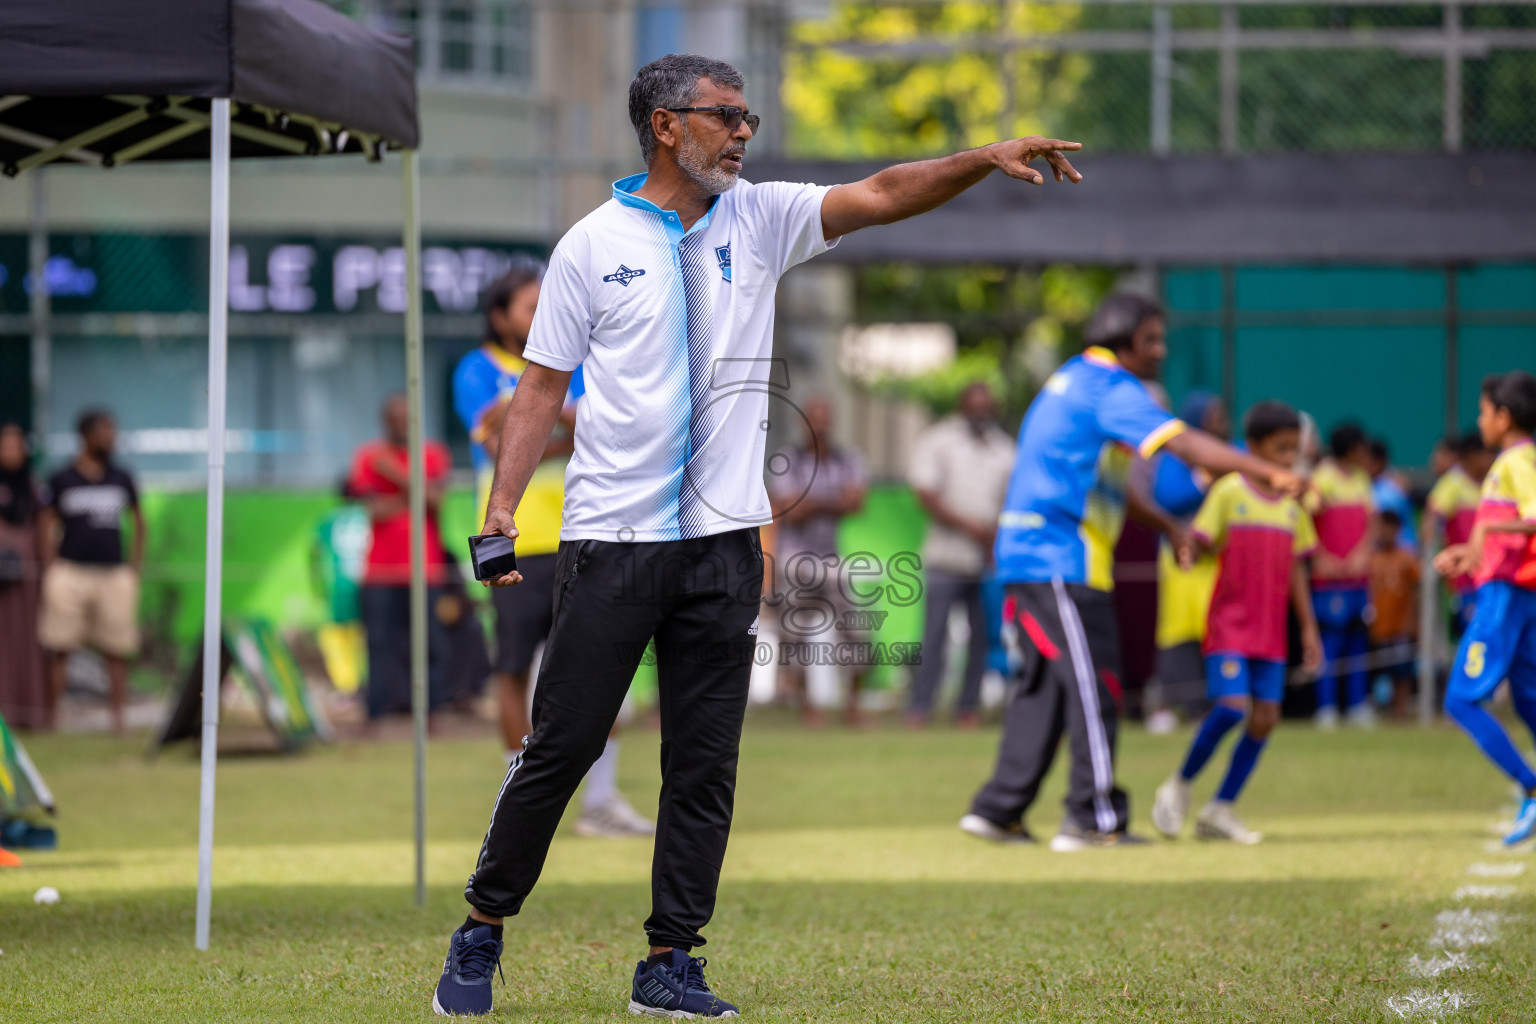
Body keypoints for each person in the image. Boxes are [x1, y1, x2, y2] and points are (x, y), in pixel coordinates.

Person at [432, 51, 1090, 1018]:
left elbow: (880, 192)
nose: (745, 132)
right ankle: (482, 929)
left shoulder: (765, 217)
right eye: (726, 116)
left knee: (704, 763)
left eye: (748, 118)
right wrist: (500, 508)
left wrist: (978, 157)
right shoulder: (589, 244)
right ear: (666, 125)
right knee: (561, 747)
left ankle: (669, 962)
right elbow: (540, 388)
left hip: (726, 548)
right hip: (613, 542)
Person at [958, 293, 1305, 854]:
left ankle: (1000, 809)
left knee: (1042, 688)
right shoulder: (1111, 387)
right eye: (1152, 340)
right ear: (1123, 339)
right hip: (1059, 559)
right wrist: (1270, 471)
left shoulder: (1070, 379)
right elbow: (1186, 444)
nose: (1161, 352)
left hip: (1028, 553)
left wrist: (1169, 526)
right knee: (1097, 685)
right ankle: (1094, 820)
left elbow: (1116, 486)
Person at [452, 267, 650, 838]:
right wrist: (551, 422)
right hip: (513, 540)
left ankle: (602, 802)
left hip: (586, 533)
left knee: (602, 668)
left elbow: (592, 432)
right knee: (513, 669)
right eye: (530, 304)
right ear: (501, 317)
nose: (542, 312)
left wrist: (528, 417)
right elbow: (498, 448)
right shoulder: (477, 369)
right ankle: (521, 807)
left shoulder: (579, 364)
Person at [1151, 400, 1322, 844]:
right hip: (1230, 625)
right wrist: (1190, 549)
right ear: (1253, 448)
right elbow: (1202, 539)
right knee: (1232, 708)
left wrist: (1307, 628)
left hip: (1270, 632)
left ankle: (1220, 809)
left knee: (1265, 717)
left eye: (1293, 450)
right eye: (1279, 449)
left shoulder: (1292, 506)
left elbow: (1297, 569)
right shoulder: (1230, 492)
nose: (1287, 459)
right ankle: (1179, 783)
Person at [1433, 371, 1536, 846]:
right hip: (1517, 590)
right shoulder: (1513, 461)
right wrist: (1470, 554)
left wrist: (1482, 536)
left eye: (1482, 411)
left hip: (1505, 597)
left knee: (1460, 699)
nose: (1479, 421)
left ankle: (1532, 787)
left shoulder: (1517, 460)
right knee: (1527, 698)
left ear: (1503, 416)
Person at [905, 381, 1015, 728]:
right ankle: (919, 706)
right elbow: (925, 494)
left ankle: (967, 708)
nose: (980, 413)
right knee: (933, 635)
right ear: (962, 406)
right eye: (974, 407)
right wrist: (970, 526)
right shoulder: (939, 441)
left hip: (986, 560)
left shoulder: (1005, 450)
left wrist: (994, 535)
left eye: (986, 407)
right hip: (945, 556)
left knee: (982, 636)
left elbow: (1014, 502)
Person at [36, 409, 143, 735]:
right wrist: (50, 562)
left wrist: (134, 565)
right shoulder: (61, 478)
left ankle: (118, 722)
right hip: (71, 573)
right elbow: (45, 521)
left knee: (116, 649)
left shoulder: (122, 477)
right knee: (59, 646)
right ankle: (54, 721)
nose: (111, 437)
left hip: (113, 574)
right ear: (86, 435)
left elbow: (139, 522)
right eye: (105, 431)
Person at [348, 394, 452, 722]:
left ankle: (432, 713)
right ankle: (375, 713)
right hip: (379, 569)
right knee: (378, 645)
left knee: (431, 643)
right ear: (385, 420)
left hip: (426, 569)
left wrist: (396, 477)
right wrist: (414, 495)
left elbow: (437, 503)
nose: (400, 423)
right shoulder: (367, 457)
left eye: (406, 416)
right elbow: (373, 510)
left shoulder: (433, 455)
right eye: (394, 416)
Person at [768, 394, 869, 726]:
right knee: (794, 634)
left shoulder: (847, 458)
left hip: (831, 559)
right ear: (804, 421)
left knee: (854, 629)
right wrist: (832, 500)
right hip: (795, 559)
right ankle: (806, 705)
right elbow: (789, 511)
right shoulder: (787, 459)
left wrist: (810, 502)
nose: (822, 424)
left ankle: (852, 704)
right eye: (816, 417)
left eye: (827, 417)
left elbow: (856, 503)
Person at [1147, 391, 1229, 729]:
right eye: (1215, 415)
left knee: (1218, 631)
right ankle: (1183, 704)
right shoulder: (1175, 458)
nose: (1222, 422)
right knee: (1181, 633)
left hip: (1221, 559)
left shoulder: (1231, 451)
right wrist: (1205, 480)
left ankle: (1222, 702)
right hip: (1181, 561)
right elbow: (1168, 498)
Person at [1308, 422, 1377, 728]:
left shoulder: (1362, 479)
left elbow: (1371, 523)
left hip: (1357, 577)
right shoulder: (1321, 478)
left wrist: (1362, 555)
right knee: (1331, 641)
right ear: (1351, 449)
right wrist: (1322, 558)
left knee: (1357, 641)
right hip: (1329, 578)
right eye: (1362, 448)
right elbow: (1307, 521)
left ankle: (1358, 704)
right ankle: (1326, 707)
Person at [0, 423, 49, 730]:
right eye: (5, 446)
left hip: (27, 573)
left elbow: (43, 527)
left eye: (16, 446)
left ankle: (28, 712)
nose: (11, 452)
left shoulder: (33, 487)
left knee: (28, 639)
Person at [1428, 430, 1494, 635]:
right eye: (1487, 454)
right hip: (1461, 578)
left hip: (1490, 572)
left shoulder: (1493, 482)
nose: (1491, 459)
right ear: (1472, 455)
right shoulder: (1453, 482)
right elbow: (1432, 519)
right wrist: (1433, 555)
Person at [1368, 509, 1420, 718]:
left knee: (1402, 671)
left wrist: (1413, 621)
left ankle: (1401, 709)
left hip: (1401, 625)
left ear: (1397, 529)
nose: (1384, 532)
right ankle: (1388, 709)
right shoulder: (1373, 559)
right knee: (1383, 669)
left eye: (1388, 527)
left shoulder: (1406, 559)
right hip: (1380, 624)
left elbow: (1417, 592)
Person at [1367, 438, 1418, 553]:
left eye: (1366, 459)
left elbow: (1386, 528)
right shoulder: (1373, 481)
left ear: (1378, 462)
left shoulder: (1391, 490)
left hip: (1399, 551)